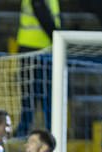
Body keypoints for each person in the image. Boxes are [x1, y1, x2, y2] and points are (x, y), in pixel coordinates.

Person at [16, 0, 60, 137]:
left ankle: (49, 132)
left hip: (41, 48)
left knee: (38, 94)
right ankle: (48, 133)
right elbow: (40, 10)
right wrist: (57, 36)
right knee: (38, 94)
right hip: (35, 48)